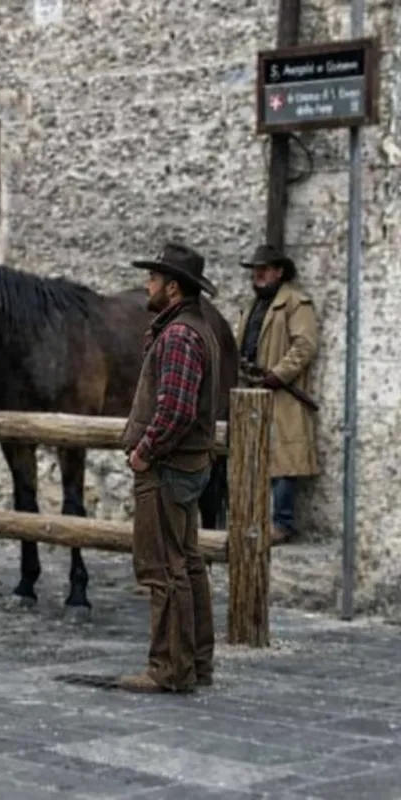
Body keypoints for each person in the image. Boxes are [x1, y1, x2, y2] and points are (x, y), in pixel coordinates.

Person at [118, 242, 226, 694]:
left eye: (154, 278)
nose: (148, 284)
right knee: (187, 563)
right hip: (182, 465)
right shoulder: (189, 329)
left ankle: (169, 667)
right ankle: (195, 663)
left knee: (163, 568)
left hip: (167, 468)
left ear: (173, 287)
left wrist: (145, 450)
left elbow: (177, 410)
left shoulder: (180, 335)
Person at [235, 244, 320, 545]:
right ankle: (253, 519)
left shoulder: (296, 303)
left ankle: (282, 524)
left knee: (284, 460)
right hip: (253, 390)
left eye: (264, 269)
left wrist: (278, 374)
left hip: (283, 394)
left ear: (279, 271)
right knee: (253, 456)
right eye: (255, 269)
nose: (257, 274)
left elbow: (304, 346)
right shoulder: (253, 305)